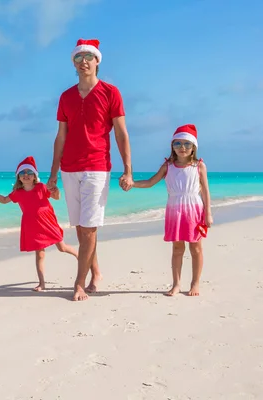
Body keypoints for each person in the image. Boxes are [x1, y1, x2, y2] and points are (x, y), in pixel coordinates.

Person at [47, 38, 134, 301]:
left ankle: (79, 283)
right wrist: (52, 174)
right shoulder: (66, 96)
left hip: (97, 166)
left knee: (90, 228)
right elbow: (60, 136)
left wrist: (128, 170)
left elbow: (121, 133)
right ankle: (96, 272)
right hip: (69, 168)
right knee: (81, 229)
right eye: (78, 58)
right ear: (73, 63)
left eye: (88, 57)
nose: (83, 62)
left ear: (97, 61)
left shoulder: (111, 93)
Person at [130, 124, 213, 296]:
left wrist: (208, 214)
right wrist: (133, 184)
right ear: (172, 146)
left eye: (187, 144)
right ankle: (176, 284)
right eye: (178, 144)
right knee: (177, 249)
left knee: (196, 248)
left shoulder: (199, 166)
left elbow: (205, 191)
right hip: (175, 210)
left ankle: (195, 283)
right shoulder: (168, 166)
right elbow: (151, 182)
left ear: (193, 147)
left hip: (194, 210)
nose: (182, 148)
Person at [0, 156, 78, 292]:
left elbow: (56, 197)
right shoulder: (18, 193)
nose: (26, 175)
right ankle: (42, 283)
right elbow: (4, 200)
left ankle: (80, 256)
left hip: (48, 221)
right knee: (40, 254)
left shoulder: (41, 187)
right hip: (33, 225)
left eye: (29, 172)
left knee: (62, 247)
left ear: (34, 176)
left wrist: (56, 191)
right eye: (22, 173)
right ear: (18, 177)